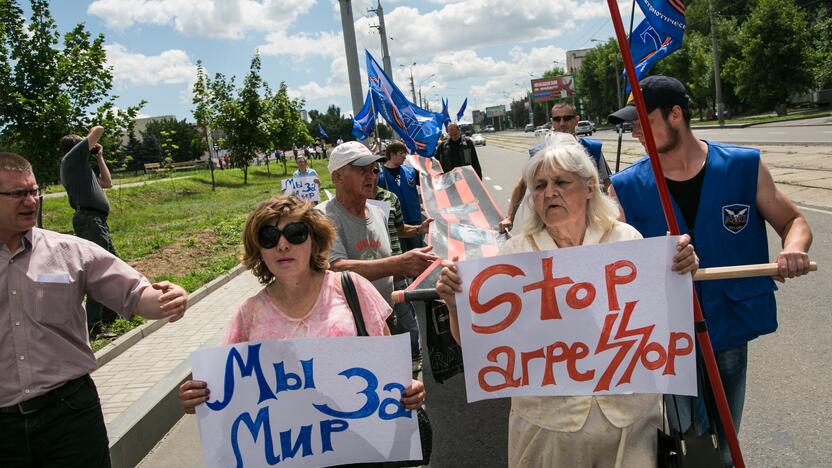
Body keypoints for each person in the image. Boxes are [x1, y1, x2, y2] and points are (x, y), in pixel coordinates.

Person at [436, 134, 698, 467]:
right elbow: (481, 347)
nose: (549, 193)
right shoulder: (513, 256)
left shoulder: (626, 240)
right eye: (540, 186)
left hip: (630, 423)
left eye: (560, 182)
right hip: (547, 427)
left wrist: (679, 272)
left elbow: (661, 321)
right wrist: (456, 307)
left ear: (590, 187)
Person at [607, 75, 813, 467]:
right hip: (667, 337)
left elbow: (794, 222)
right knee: (689, 439)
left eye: (640, 119)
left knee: (726, 436)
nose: (633, 129)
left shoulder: (743, 166)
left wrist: (793, 250)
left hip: (729, 325)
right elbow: (609, 254)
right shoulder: (626, 186)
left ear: (676, 115)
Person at [0, 152, 189, 467]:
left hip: (69, 417)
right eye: (19, 193)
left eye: (34, 190)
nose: (32, 200)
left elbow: (134, 293)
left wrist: (168, 299)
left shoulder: (69, 251)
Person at [178, 195, 425, 414]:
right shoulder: (249, 314)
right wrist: (198, 398)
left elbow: (389, 368)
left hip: (361, 448)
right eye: (269, 237)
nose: (283, 245)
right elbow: (225, 388)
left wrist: (408, 389)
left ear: (314, 242)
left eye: (295, 234)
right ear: (259, 250)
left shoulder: (352, 288)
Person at [317, 141, 438, 307]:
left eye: (374, 170)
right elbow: (336, 269)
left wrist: (418, 266)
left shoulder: (379, 212)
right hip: (354, 320)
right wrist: (400, 264)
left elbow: (385, 261)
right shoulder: (322, 216)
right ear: (338, 177)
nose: (372, 176)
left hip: (391, 308)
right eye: (362, 170)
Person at [500, 103, 611, 234]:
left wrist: (611, 216)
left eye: (567, 118)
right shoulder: (540, 153)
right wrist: (509, 218)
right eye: (557, 119)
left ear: (576, 120)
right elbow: (521, 185)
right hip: (553, 227)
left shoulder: (593, 149)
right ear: (552, 122)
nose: (562, 123)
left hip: (589, 222)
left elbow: (607, 185)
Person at [59, 126, 119, 338]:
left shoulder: (83, 169)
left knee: (112, 266)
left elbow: (107, 183)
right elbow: (99, 129)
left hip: (97, 222)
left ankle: (108, 317)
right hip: (89, 221)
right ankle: (94, 325)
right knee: (98, 271)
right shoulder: (70, 161)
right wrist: (90, 143)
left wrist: (99, 158)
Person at [379, 141, 425, 252]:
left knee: (419, 253)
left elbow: (427, 183)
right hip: (396, 223)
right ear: (392, 155)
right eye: (401, 153)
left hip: (414, 220)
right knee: (401, 254)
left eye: (405, 153)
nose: (405, 156)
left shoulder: (410, 171)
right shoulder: (380, 175)